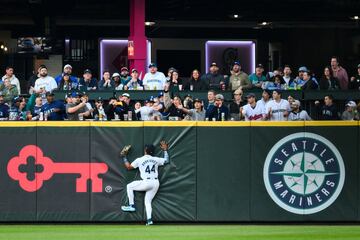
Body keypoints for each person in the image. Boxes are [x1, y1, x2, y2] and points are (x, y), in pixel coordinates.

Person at [120, 141, 169, 226]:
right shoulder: (156, 159)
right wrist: (165, 150)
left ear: (146, 150)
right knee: (147, 201)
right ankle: (149, 220)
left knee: (129, 186)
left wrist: (124, 157)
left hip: (146, 182)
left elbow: (128, 167)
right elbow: (166, 160)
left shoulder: (140, 159)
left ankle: (132, 205)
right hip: (156, 183)